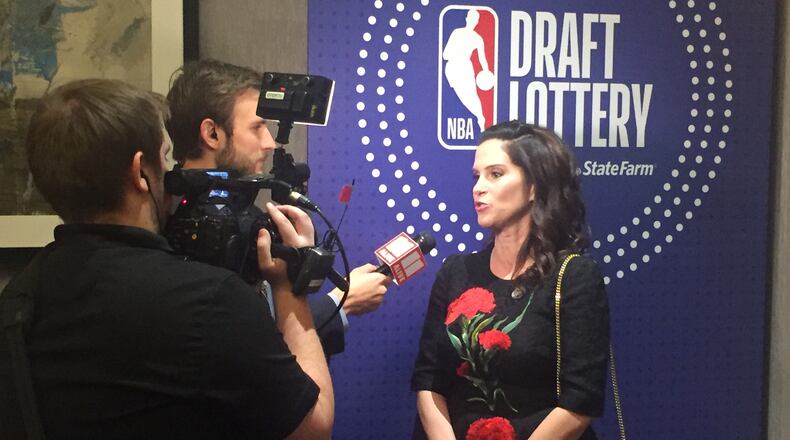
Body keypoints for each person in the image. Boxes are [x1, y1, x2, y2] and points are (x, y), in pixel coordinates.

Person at [1, 79, 333, 439]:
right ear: (140, 172)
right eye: (164, 158)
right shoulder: (208, 301)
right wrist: (289, 290)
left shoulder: (19, 298)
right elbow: (313, 427)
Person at [166, 59, 392, 356]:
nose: (270, 142)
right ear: (212, 134)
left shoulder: (231, 218)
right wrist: (340, 303)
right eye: (257, 127)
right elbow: (250, 347)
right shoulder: (169, 223)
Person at [411, 121, 610, 439]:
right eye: (476, 176)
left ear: (534, 186)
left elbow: (580, 400)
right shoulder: (456, 271)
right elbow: (429, 380)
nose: (478, 187)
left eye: (495, 174)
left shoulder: (574, 276)